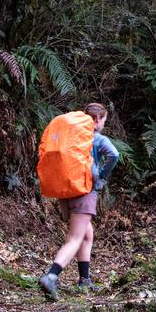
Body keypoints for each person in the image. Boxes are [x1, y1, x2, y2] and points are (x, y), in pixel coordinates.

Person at [39, 103, 119, 300]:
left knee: (86, 234)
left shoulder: (70, 138)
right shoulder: (98, 139)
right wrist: (101, 176)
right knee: (75, 238)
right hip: (84, 191)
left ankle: (85, 279)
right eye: (103, 121)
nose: (102, 124)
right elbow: (114, 155)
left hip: (65, 192)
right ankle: (51, 276)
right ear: (98, 120)